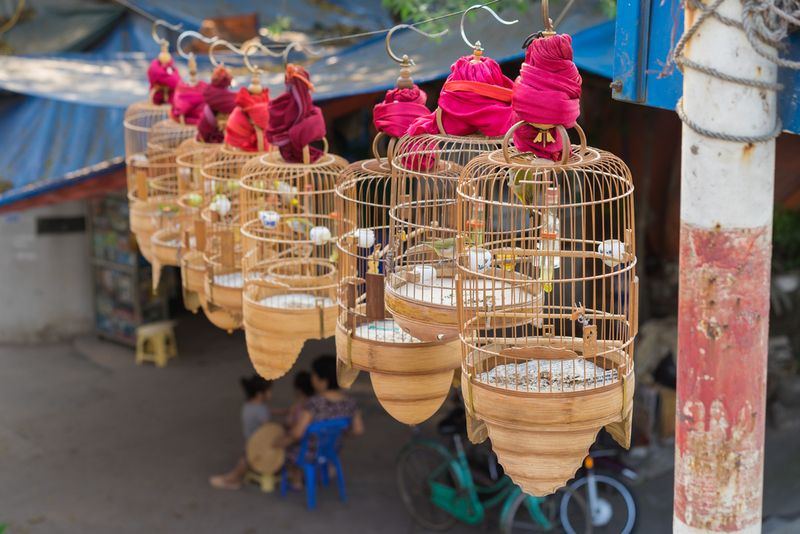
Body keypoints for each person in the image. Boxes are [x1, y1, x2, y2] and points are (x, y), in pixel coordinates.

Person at [276, 356, 364, 487]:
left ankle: (296, 479)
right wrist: (338, 431)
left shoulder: (314, 403)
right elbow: (358, 430)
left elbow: (297, 434)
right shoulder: (350, 403)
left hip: (308, 453)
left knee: (287, 447)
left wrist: (279, 443)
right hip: (331, 450)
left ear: (323, 381)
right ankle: (326, 470)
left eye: (314, 375)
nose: (312, 379)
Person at [209, 374, 272, 490]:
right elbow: (268, 430)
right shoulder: (261, 412)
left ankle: (231, 479)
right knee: (244, 461)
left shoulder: (250, 406)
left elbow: (264, 412)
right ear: (259, 394)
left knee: (245, 458)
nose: (271, 393)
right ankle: (229, 479)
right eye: (269, 391)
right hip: (257, 446)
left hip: (250, 441)